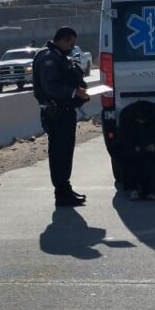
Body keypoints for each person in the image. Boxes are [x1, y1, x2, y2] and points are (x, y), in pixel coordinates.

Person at [33, 27, 91, 207]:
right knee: (59, 153)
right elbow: (51, 87)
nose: (72, 47)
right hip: (56, 114)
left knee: (66, 152)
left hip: (64, 112)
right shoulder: (48, 58)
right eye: (71, 43)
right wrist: (74, 92)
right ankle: (61, 192)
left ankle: (65, 188)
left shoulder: (57, 55)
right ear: (63, 40)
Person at [117, 100, 155, 201]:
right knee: (130, 159)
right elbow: (123, 137)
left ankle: (152, 190)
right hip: (134, 142)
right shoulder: (126, 115)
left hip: (153, 140)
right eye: (139, 121)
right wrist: (134, 147)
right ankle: (133, 188)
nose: (141, 123)